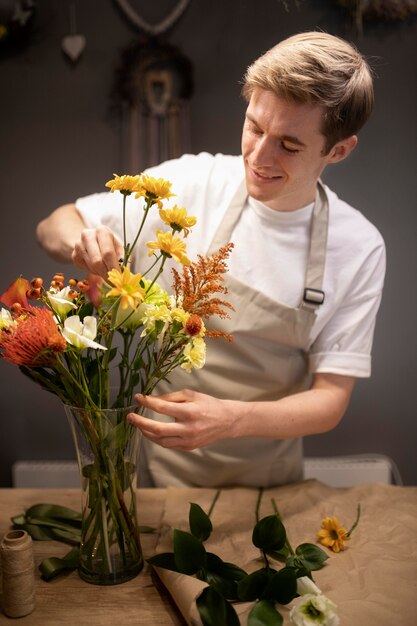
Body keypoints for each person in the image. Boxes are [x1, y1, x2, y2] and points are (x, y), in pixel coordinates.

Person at [36, 31, 385, 488]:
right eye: (255, 127)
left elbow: (330, 400)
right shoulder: (193, 181)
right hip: (155, 476)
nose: (259, 156)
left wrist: (233, 419)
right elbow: (53, 224)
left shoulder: (358, 247)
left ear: (338, 150)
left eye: (289, 145)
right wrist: (82, 241)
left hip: (267, 487)